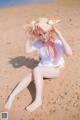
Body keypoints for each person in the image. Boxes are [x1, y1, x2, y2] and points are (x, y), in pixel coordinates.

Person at [5, 17, 72, 112]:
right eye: (40, 34)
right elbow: (27, 51)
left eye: (45, 33)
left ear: (49, 32)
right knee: (30, 75)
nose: (43, 36)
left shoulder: (56, 42)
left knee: (36, 70)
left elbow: (69, 53)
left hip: (56, 69)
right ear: (37, 35)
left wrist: (59, 35)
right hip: (43, 68)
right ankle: (12, 96)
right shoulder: (39, 43)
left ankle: (38, 100)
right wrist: (27, 39)